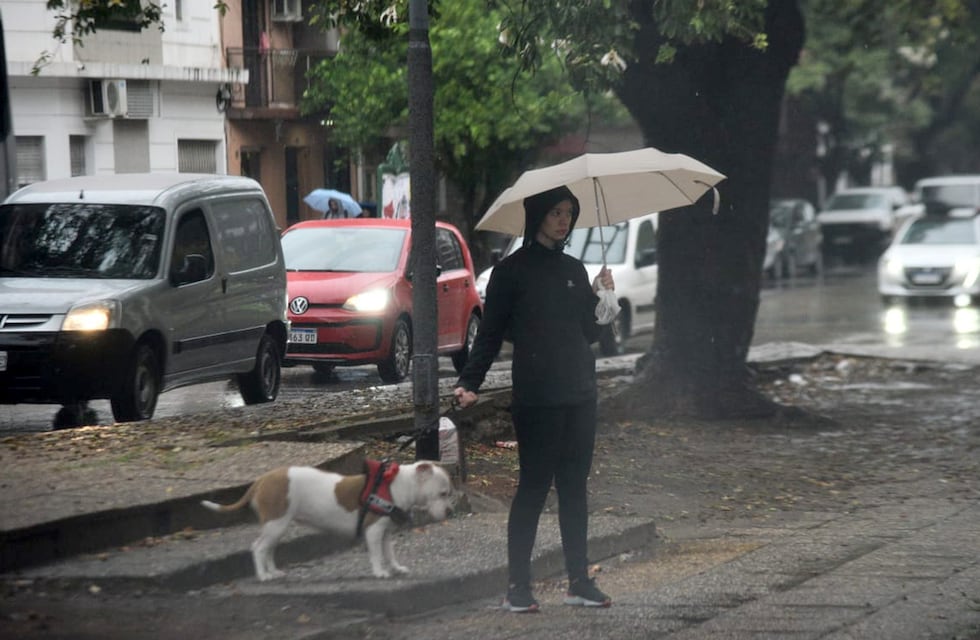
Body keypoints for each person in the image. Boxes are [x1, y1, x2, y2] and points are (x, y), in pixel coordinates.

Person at [453, 185, 615, 613]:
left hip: (580, 392)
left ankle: (579, 581)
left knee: (574, 489)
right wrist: (470, 381)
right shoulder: (511, 272)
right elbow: (489, 335)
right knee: (533, 489)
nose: (563, 221)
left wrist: (604, 300)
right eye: (555, 212)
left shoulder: (575, 269)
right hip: (538, 397)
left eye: (568, 213)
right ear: (538, 216)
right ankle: (517, 588)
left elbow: (591, 334)